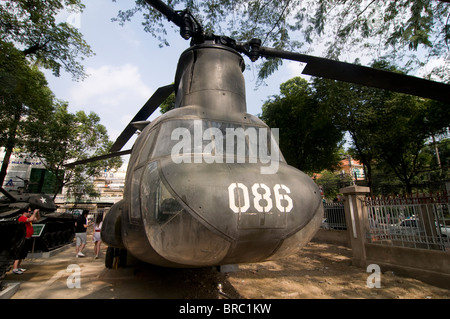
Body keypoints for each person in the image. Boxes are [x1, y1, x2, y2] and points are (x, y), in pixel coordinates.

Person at [12, 206, 40, 274]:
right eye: (29, 212)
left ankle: (18, 267)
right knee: (19, 253)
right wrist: (34, 213)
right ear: (24, 212)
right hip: (22, 238)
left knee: (23, 254)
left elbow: (37, 219)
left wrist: (37, 213)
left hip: (27, 238)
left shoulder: (28, 217)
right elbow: (30, 219)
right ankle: (15, 268)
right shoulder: (22, 218)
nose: (30, 213)